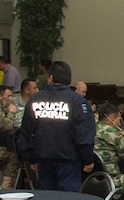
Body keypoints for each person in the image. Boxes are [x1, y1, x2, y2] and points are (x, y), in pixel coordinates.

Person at [18, 60, 96, 191]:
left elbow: (25, 131)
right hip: (68, 161)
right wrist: (87, 159)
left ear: (50, 78)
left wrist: (31, 158)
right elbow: (84, 133)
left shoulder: (35, 100)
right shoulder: (78, 102)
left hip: (43, 160)